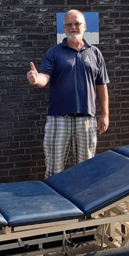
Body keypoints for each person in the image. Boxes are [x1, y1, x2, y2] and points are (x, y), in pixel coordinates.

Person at [27, 9, 109, 178]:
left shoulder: (95, 53)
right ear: (64, 28)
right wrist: (36, 79)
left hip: (87, 119)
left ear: (84, 26)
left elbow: (101, 85)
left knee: (86, 169)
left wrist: (105, 114)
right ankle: (54, 204)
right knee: (54, 170)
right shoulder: (54, 52)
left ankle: (85, 202)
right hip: (59, 119)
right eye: (69, 24)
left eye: (77, 24)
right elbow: (44, 77)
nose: (73, 27)